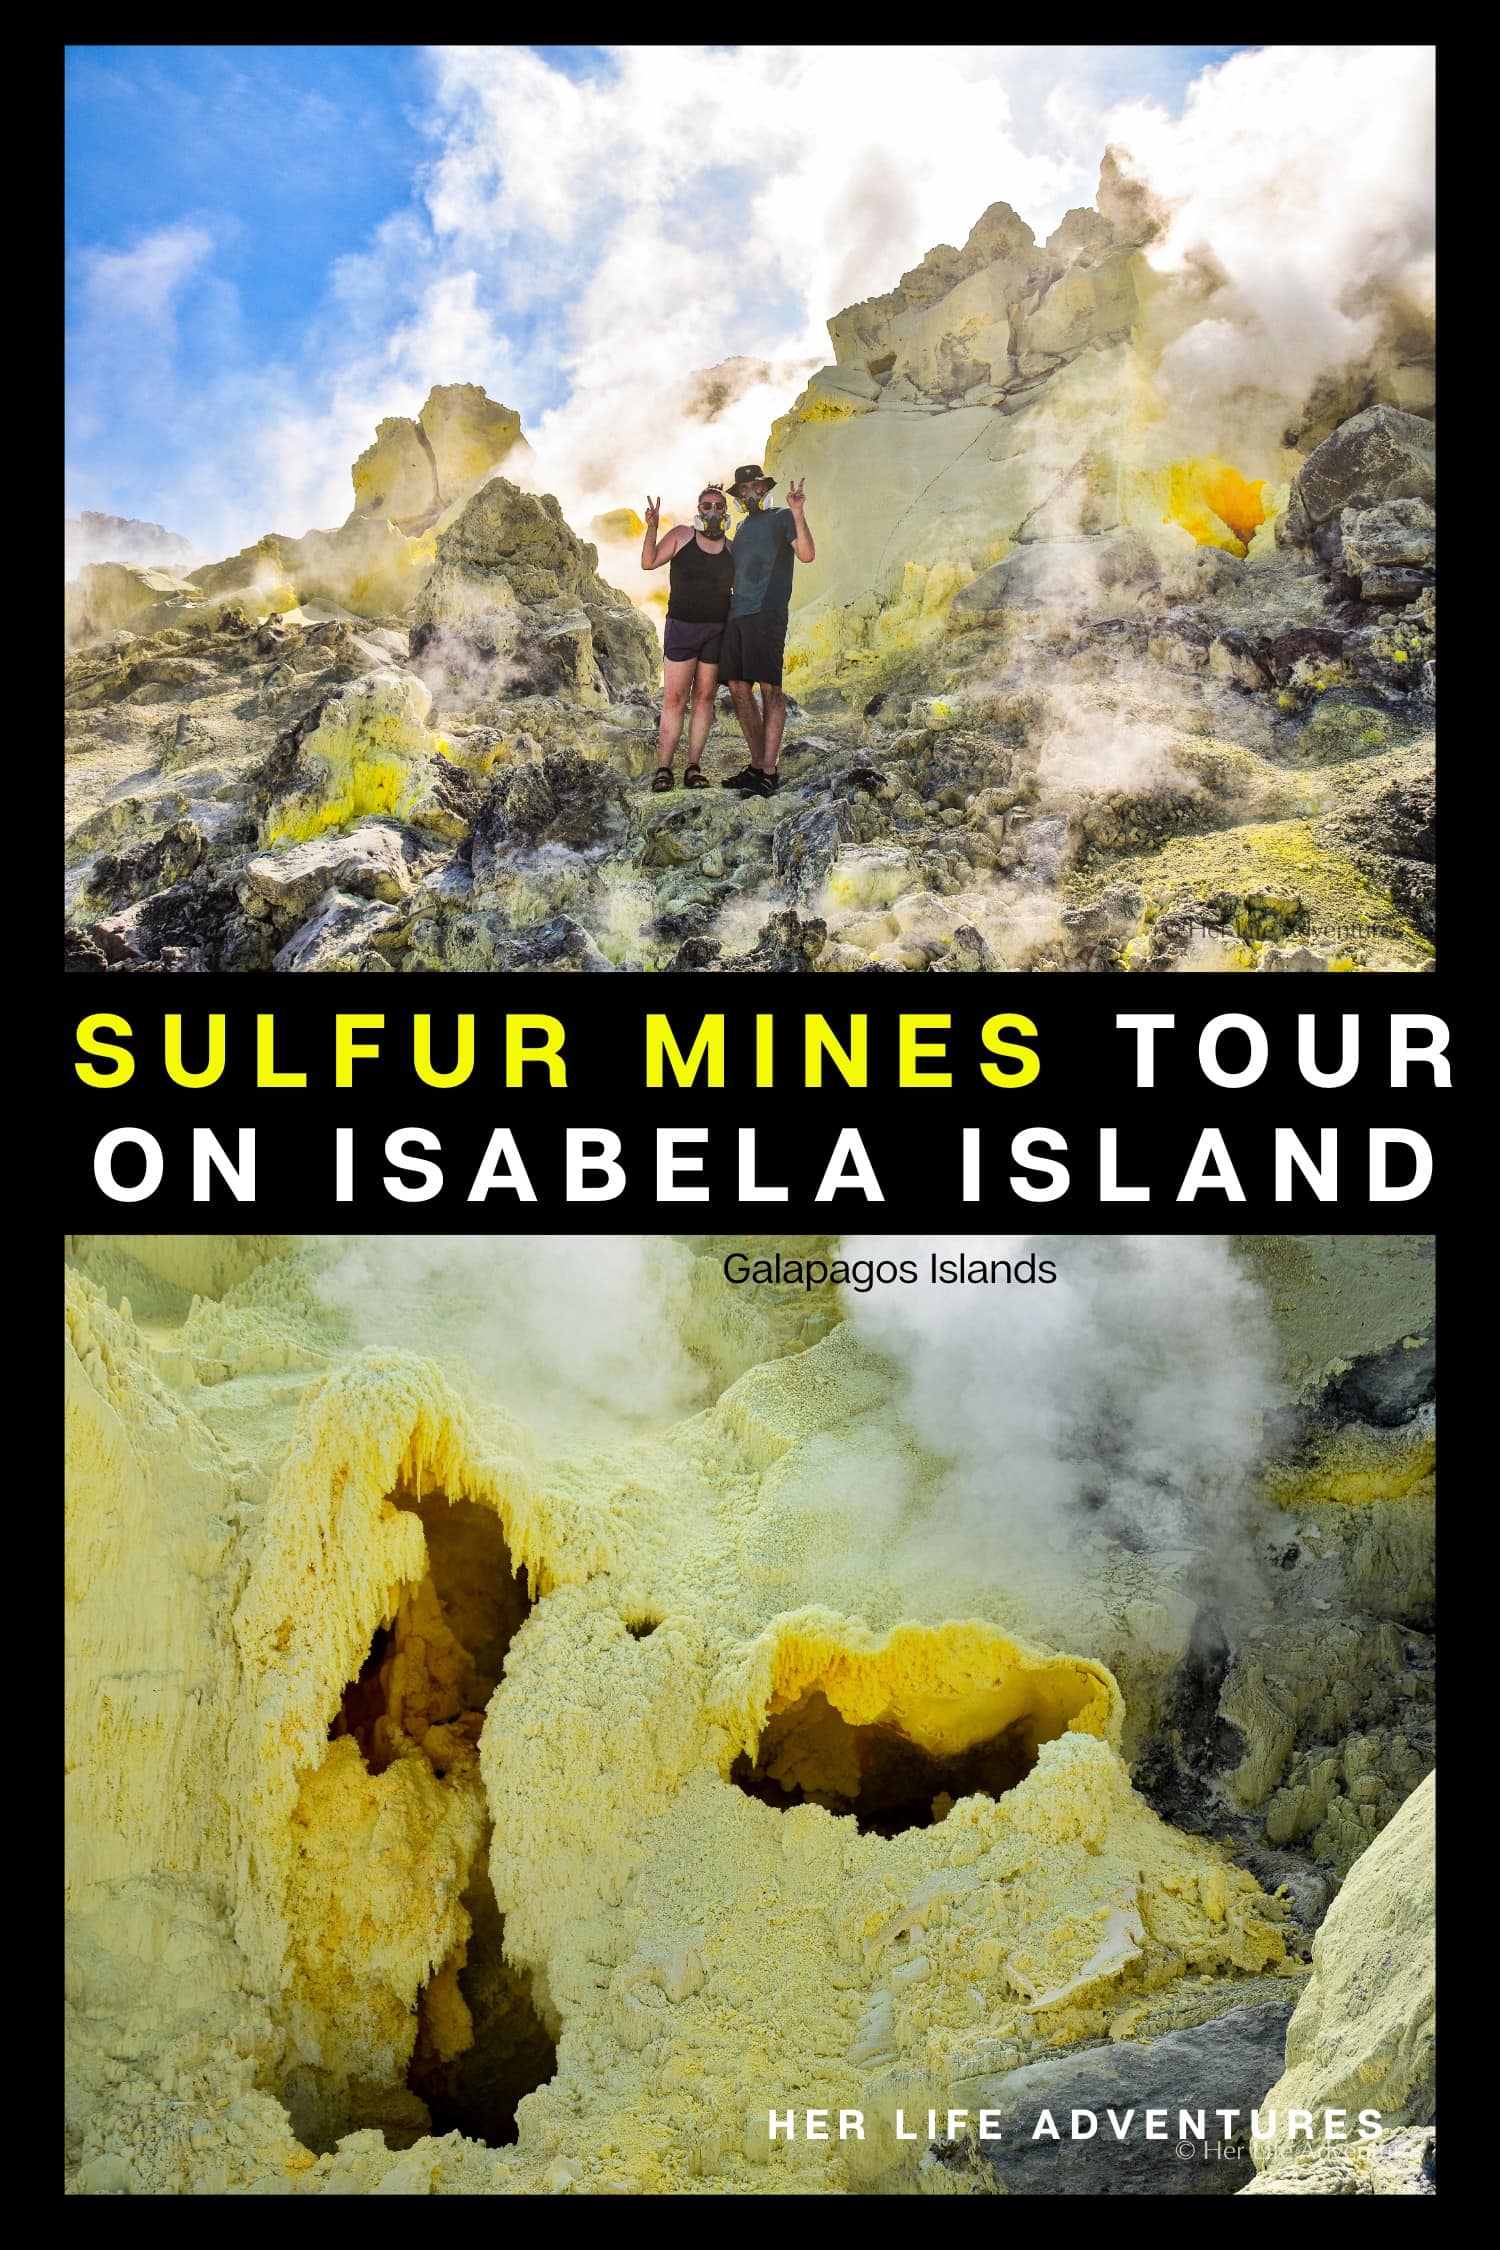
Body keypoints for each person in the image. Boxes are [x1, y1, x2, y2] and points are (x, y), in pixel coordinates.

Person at [719, 465, 815, 798]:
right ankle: (758, 765)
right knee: (737, 687)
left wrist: (798, 512)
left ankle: (769, 772)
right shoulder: (742, 527)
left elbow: (807, 554)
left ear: (765, 489)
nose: (751, 493)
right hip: (737, 615)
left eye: (756, 487)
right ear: (738, 496)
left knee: (771, 688)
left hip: (767, 613)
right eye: (744, 489)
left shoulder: (783, 516)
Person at [640, 485, 735, 790]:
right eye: (707, 506)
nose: (713, 511)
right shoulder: (682, 536)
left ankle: (693, 768)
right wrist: (652, 528)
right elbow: (649, 561)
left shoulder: (732, 549)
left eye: (719, 506)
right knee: (675, 698)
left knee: (704, 698)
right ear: (698, 510)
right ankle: (664, 769)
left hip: (717, 631)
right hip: (682, 628)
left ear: (726, 511)